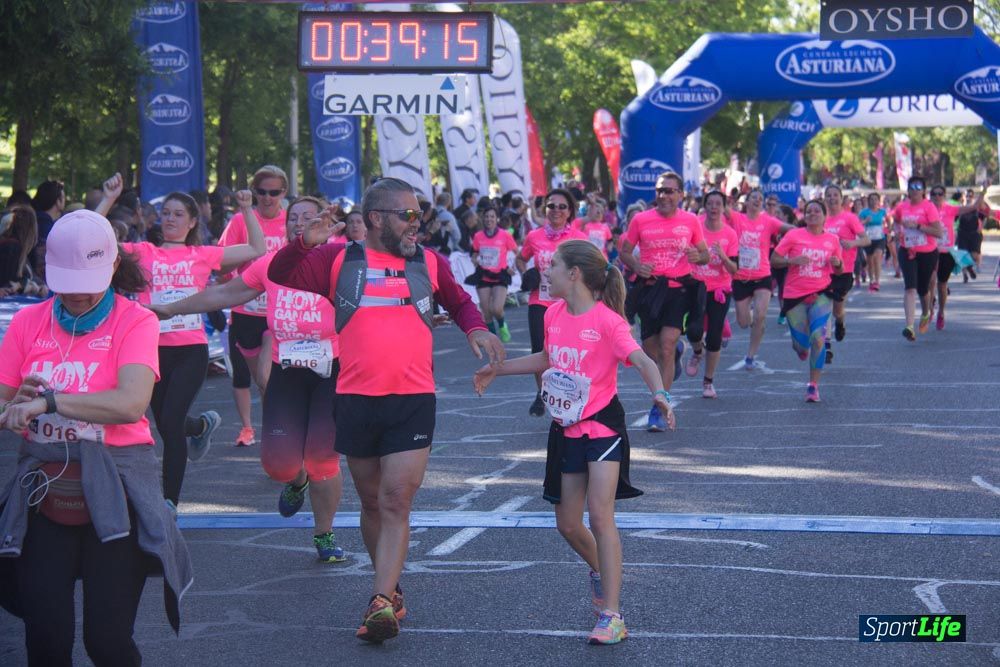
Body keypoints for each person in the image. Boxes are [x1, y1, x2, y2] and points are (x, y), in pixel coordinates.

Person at [267, 177, 504, 643]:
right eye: (408, 215)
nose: (418, 223)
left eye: (420, 214)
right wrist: (302, 243)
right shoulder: (338, 260)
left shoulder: (428, 262)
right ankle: (391, 591)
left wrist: (475, 328)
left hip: (413, 400)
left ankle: (377, 601)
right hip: (354, 399)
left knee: (397, 499)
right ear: (376, 219)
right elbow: (281, 275)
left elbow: (457, 300)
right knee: (373, 503)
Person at [0, 210, 192, 666]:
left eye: (88, 279)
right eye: (67, 281)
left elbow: (129, 403)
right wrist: (11, 407)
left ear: (111, 267)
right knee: (46, 637)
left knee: (106, 641)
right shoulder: (29, 323)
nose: (79, 293)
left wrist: (49, 402)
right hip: (45, 489)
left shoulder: (136, 321)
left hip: (118, 490)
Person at [472, 240, 674, 645]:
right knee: (567, 523)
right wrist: (499, 369)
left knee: (600, 516)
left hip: (601, 427)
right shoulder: (554, 313)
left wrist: (660, 394)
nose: (546, 272)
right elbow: (548, 358)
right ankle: (603, 570)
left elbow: (643, 361)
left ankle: (612, 615)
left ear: (575, 274)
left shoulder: (608, 322)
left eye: (554, 267)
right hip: (565, 427)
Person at [150, 197, 350, 562]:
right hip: (286, 372)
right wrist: (170, 308)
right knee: (279, 465)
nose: (300, 223)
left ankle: (324, 533)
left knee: (323, 458)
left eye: (309, 217)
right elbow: (227, 292)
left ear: (326, 220)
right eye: (294, 218)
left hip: (329, 371)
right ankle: (296, 479)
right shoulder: (271, 264)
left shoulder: (340, 259)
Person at [97, 173, 265, 509]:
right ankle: (201, 425)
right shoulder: (142, 251)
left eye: (178, 214)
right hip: (149, 349)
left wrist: (247, 209)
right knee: (166, 423)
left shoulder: (203, 254)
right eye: (166, 213)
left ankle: (169, 503)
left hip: (190, 349)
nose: (170, 218)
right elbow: (94, 242)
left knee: (171, 424)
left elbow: (257, 250)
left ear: (192, 222)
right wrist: (108, 200)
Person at [619, 172, 709, 431]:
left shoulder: (690, 220)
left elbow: (704, 255)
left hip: (678, 288)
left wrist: (696, 255)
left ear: (680, 195)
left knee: (667, 345)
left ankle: (660, 405)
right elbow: (625, 252)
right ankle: (676, 357)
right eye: (660, 191)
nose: (664, 196)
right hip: (649, 289)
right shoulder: (640, 219)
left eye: (670, 191)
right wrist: (636, 264)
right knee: (651, 350)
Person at [218, 165, 289, 447]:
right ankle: (249, 427)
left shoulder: (290, 222)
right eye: (261, 192)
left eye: (274, 192)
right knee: (256, 380)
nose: (268, 198)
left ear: (284, 192)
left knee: (268, 377)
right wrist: (238, 281)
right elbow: (223, 263)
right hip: (245, 310)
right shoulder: (240, 221)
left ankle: (280, 430)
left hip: (279, 311)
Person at [517, 188, 589, 416]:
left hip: (570, 304)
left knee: (569, 352)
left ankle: (571, 395)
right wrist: (527, 273)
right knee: (540, 350)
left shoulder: (579, 238)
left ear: (570, 211)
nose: (556, 210)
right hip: (540, 300)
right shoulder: (534, 236)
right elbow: (521, 258)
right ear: (544, 209)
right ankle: (543, 394)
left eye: (562, 206)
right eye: (551, 206)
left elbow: (595, 267)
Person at [771, 200, 844, 402]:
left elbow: (839, 267)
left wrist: (837, 264)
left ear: (824, 215)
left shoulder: (832, 240)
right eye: (809, 211)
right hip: (795, 296)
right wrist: (790, 261)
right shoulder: (793, 235)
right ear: (804, 215)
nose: (812, 214)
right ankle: (801, 349)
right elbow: (774, 259)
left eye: (817, 211)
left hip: (821, 293)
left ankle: (813, 386)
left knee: (819, 338)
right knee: (802, 346)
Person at [726, 189, 793, 371]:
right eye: (753, 198)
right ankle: (743, 325)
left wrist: (807, 232)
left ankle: (750, 355)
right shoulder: (737, 218)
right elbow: (723, 209)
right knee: (743, 322)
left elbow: (789, 229)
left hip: (762, 275)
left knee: (760, 315)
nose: (757, 201)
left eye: (760, 199)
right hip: (740, 277)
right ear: (746, 202)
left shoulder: (768, 221)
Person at [692, 191, 739, 398]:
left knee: (714, 336)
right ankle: (696, 351)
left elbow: (734, 269)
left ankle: (708, 381)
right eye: (709, 203)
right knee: (693, 331)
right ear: (704, 206)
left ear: (723, 207)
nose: (713, 207)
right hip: (696, 285)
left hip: (719, 289)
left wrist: (722, 256)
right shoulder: (696, 226)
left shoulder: (729, 234)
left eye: (717, 204)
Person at [890, 177, 944, 341]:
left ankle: (926, 312)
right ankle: (909, 326)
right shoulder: (902, 207)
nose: (914, 189)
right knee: (910, 287)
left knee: (923, 288)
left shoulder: (929, 207)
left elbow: (938, 232)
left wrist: (919, 226)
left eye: (918, 186)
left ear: (923, 191)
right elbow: (896, 221)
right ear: (907, 190)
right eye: (911, 186)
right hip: (907, 251)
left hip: (927, 252)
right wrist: (897, 231)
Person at [822, 185, 869, 363]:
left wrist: (853, 243)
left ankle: (840, 323)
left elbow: (867, 239)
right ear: (825, 198)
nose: (832, 198)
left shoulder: (849, 218)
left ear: (841, 199)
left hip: (845, 270)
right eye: (829, 195)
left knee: (837, 310)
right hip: (824, 271)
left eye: (835, 195)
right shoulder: (821, 219)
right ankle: (826, 345)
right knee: (824, 306)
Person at [469, 206, 518, 342]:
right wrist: (475, 259)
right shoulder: (478, 236)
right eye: (486, 217)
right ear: (483, 219)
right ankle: (493, 338)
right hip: (483, 275)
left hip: (500, 276)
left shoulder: (505, 235)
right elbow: (474, 253)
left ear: (496, 219)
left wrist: (512, 267)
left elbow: (517, 253)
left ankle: (502, 325)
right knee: (486, 312)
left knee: (496, 308)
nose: (489, 219)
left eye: (492, 216)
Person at [859, 193, 888, 292]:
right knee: (870, 261)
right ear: (868, 201)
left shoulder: (882, 212)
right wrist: (865, 221)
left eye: (876, 199)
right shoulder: (864, 212)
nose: (874, 201)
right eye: (871, 199)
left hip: (880, 238)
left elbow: (889, 221)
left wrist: (889, 229)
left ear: (879, 201)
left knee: (877, 257)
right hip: (868, 239)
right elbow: (858, 224)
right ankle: (871, 280)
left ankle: (877, 281)